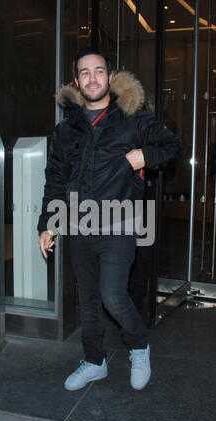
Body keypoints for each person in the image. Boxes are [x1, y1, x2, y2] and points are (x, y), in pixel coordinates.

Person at [38, 48, 181, 391]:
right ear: (76, 81)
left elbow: (172, 145)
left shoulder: (132, 117)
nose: (92, 78)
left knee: (112, 295)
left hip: (120, 223)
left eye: (98, 71)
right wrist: (46, 224)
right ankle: (94, 361)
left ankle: (138, 346)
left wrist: (143, 155)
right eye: (84, 72)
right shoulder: (66, 130)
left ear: (110, 76)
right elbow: (55, 179)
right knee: (87, 300)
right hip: (79, 225)